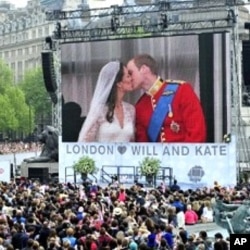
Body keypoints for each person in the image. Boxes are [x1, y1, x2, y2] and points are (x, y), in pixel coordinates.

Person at [127, 54, 206, 142]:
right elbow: (144, 145)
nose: (129, 78)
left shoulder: (181, 90)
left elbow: (197, 132)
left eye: (130, 73)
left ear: (144, 69)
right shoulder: (140, 106)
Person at [78, 61, 135, 142]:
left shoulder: (130, 110)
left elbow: (133, 142)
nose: (132, 79)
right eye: (128, 76)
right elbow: (84, 141)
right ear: (119, 83)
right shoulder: (100, 110)